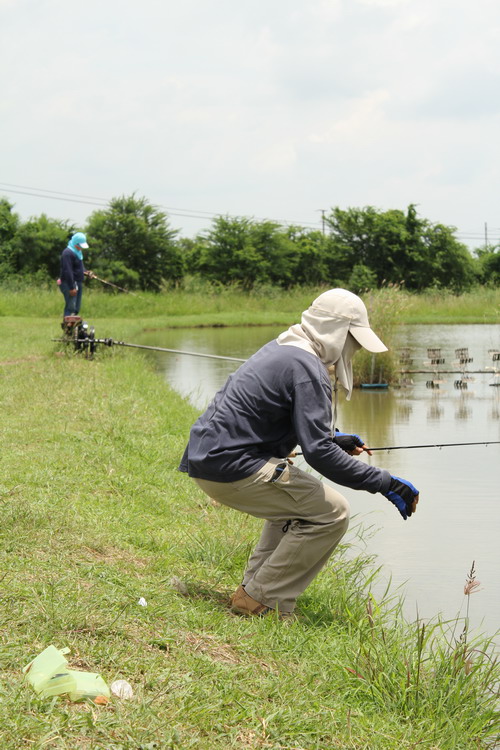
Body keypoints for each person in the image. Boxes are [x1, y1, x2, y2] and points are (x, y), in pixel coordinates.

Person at [179, 288, 419, 618]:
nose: (356, 350)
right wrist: (386, 482)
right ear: (338, 333)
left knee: (298, 507)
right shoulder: (308, 368)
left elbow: (300, 427)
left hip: (209, 457)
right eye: (355, 341)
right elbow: (318, 453)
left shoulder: (286, 347)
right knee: (332, 512)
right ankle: (261, 600)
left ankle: (253, 593)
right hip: (230, 465)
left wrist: (335, 438)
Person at [58, 232, 94, 318]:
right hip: (69, 283)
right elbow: (68, 271)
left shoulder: (78, 252)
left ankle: (74, 329)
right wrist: (71, 287)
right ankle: (68, 329)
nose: (81, 248)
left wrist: (87, 272)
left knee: (76, 308)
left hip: (78, 283)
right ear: (75, 243)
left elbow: (80, 268)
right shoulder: (67, 253)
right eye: (79, 245)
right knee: (71, 307)